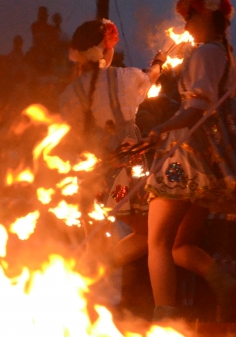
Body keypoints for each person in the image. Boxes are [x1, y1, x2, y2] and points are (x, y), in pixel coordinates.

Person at [143, 0, 236, 320]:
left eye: (190, 16)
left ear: (207, 15)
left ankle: (165, 320)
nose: (185, 24)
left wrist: (160, 130)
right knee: (179, 245)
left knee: (157, 242)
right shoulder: (223, 53)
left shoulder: (204, 54)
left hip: (186, 152)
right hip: (211, 154)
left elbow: (197, 107)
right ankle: (225, 286)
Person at [59, 18, 166, 271]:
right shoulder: (125, 77)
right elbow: (151, 77)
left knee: (94, 234)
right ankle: (100, 270)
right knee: (149, 232)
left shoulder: (69, 94)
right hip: (123, 167)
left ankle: (91, 279)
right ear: (104, 49)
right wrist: (159, 62)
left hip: (89, 170)